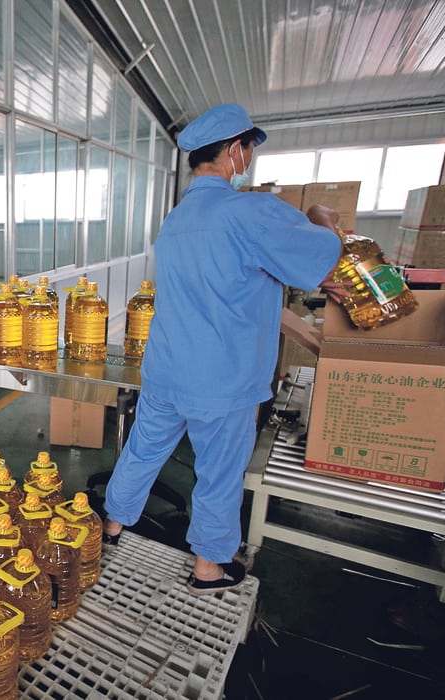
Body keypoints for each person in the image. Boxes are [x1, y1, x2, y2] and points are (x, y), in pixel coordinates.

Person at [101, 103, 347, 595]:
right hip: (223, 378)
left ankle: (111, 529)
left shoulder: (175, 220)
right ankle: (208, 568)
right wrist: (323, 220)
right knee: (218, 471)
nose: (250, 157)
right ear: (236, 150)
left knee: (142, 452)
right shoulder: (250, 211)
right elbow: (322, 261)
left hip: (168, 368)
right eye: (249, 148)